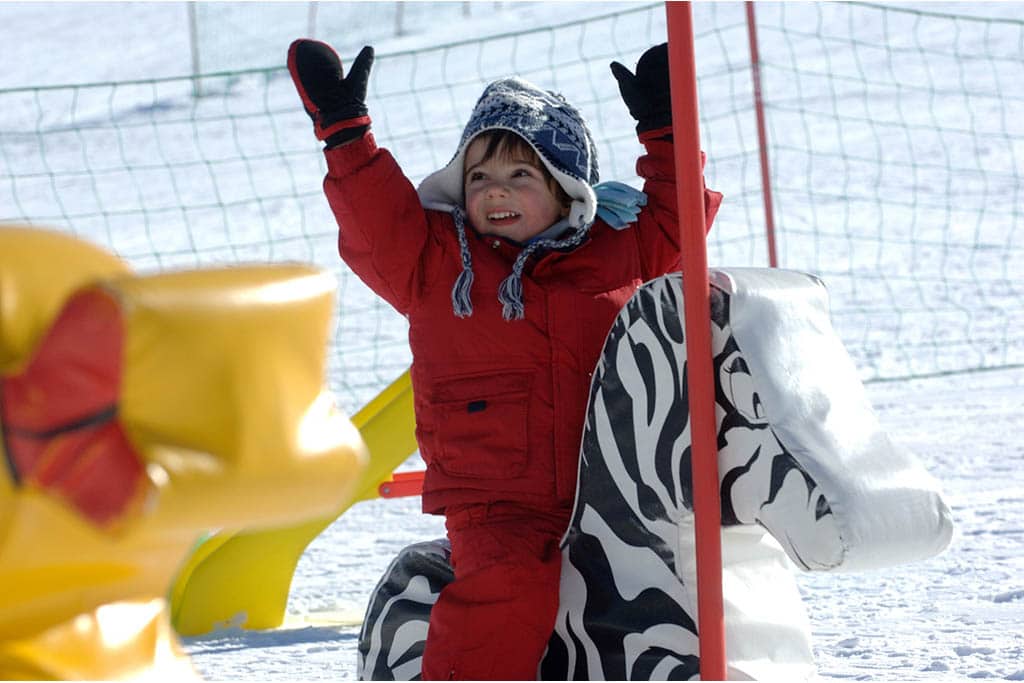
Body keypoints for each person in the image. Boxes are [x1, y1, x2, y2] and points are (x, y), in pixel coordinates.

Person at [287, 38, 722, 680]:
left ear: (568, 187)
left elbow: (678, 225)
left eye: (523, 175)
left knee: (673, 588)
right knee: (509, 589)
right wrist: (346, 133)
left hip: (609, 488)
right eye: (481, 177)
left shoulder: (610, 250)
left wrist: (665, 131)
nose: (497, 192)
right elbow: (375, 223)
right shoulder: (434, 262)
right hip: (495, 502)